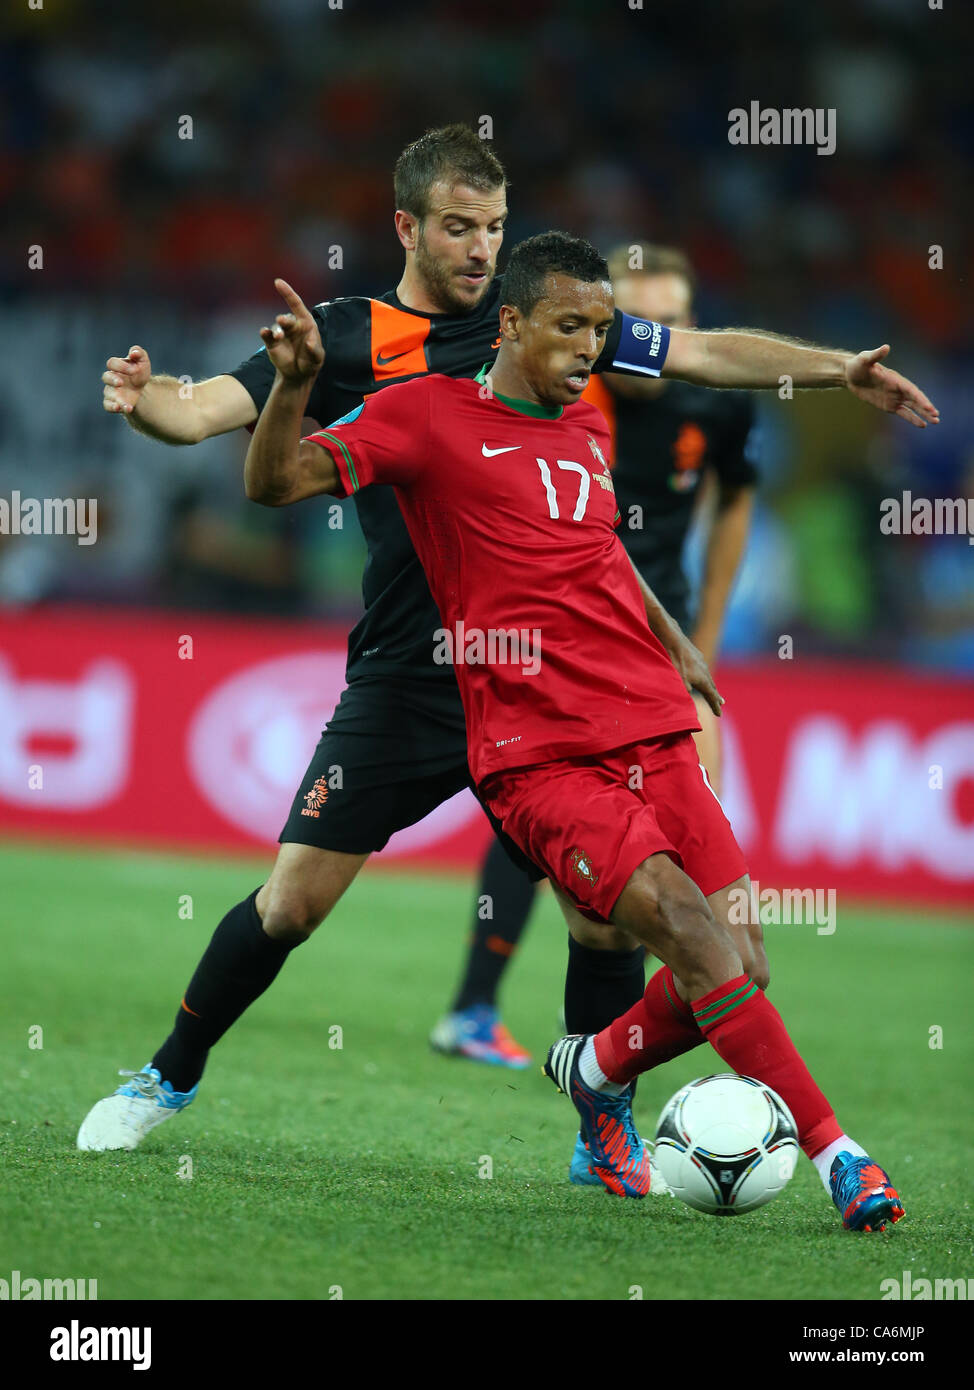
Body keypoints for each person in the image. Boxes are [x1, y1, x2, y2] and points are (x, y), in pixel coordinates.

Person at [238, 230, 935, 1231]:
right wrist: (290, 387)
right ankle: (842, 1158)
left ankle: (596, 1064)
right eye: (570, 328)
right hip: (537, 755)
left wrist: (833, 371)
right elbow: (275, 482)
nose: (589, 350)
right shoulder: (424, 415)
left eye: (602, 333)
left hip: (650, 724)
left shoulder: (584, 430)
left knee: (739, 967)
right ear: (512, 323)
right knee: (688, 935)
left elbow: (616, 524)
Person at [431, 243, 757, 1100]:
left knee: (686, 881)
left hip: (660, 645)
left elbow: (735, 505)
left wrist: (704, 637)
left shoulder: (714, 415)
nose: (646, 337)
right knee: (545, 830)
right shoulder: (571, 394)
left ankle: (623, 1054)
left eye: (668, 320)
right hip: (562, 643)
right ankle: (480, 1004)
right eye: (625, 322)